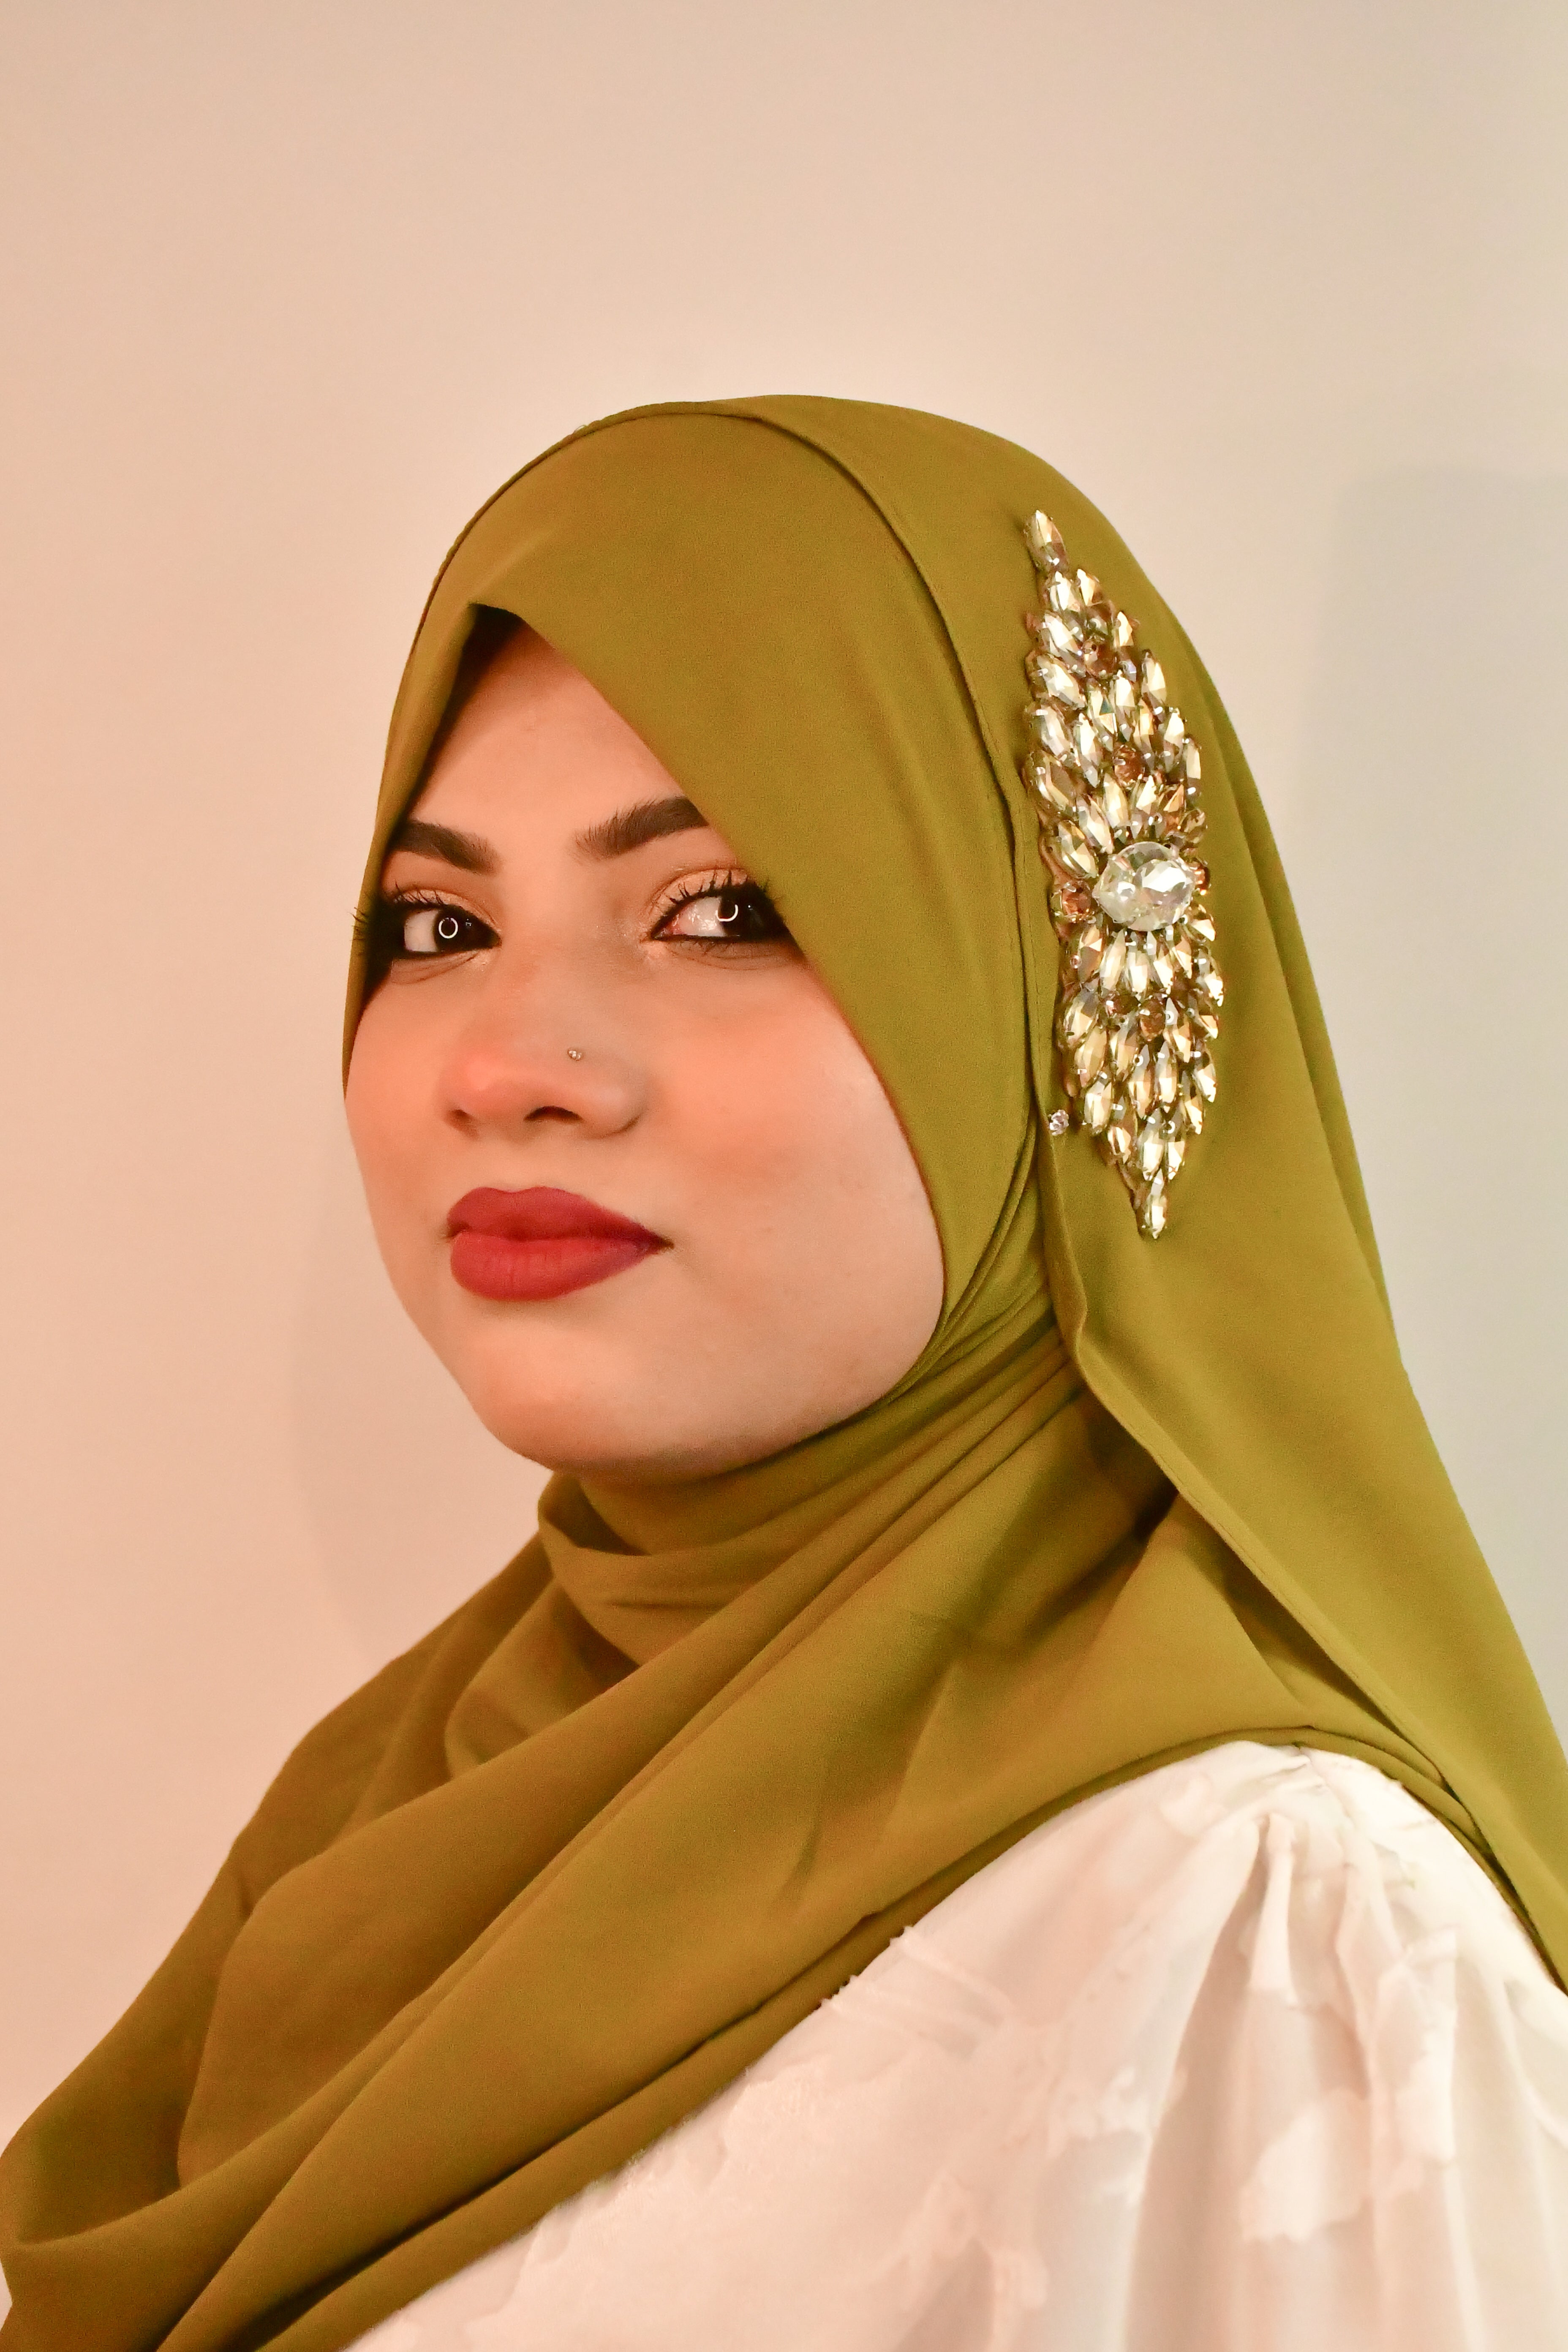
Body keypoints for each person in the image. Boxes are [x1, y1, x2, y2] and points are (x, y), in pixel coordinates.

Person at [4, 397, 1567, 2352]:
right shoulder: (392, 1818)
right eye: (439, 923)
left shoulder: (1263, 1928)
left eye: (725, 912)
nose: (509, 1064)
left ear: (1046, 1002)